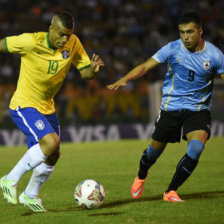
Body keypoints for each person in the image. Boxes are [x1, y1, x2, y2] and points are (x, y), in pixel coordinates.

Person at [107, 11, 224, 202]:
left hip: (198, 110)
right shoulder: (172, 49)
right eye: (182, 32)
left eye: (190, 32)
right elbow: (145, 66)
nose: (185, 37)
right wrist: (125, 78)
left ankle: (170, 191)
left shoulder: (215, 55)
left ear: (200, 31)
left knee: (195, 148)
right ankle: (141, 174)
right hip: (171, 107)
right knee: (153, 153)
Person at [0, 11, 104, 212]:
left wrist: (92, 69)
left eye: (69, 34)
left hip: (47, 107)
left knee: (53, 154)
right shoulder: (30, 41)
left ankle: (30, 195)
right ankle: (8, 180)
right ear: (50, 29)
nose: (65, 39)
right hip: (24, 104)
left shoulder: (73, 43)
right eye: (61, 34)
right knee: (51, 142)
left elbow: (85, 73)